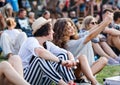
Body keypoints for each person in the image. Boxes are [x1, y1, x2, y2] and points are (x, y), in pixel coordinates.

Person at [53, 13, 113, 83]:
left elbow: (90, 32)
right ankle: (91, 80)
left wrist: (103, 22)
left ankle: (84, 78)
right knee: (82, 57)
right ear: (62, 31)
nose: (72, 28)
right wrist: (105, 23)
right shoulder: (69, 44)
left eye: (72, 26)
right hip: (76, 72)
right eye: (68, 28)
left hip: (88, 69)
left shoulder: (75, 38)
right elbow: (90, 36)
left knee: (103, 59)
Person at [18, 17, 77, 85]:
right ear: (46, 31)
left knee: (62, 55)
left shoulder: (47, 44)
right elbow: (40, 52)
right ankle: (63, 84)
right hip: (27, 79)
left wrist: (71, 60)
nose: (53, 32)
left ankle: (70, 82)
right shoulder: (31, 40)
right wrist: (61, 61)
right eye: (51, 29)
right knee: (39, 59)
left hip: (43, 80)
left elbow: (67, 52)